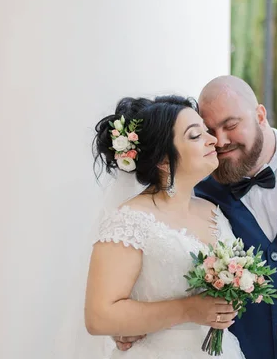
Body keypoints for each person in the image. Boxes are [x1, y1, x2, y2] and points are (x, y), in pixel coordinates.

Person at [116, 75, 277, 359]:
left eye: (231, 125)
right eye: (210, 130)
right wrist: (134, 322)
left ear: (260, 115)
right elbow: (162, 260)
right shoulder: (196, 191)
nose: (221, 141)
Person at [85, 95, 246, 358]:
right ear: (162, 160)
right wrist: (188, 310)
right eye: (195, 136)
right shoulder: (130, 219)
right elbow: (99, 316)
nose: (213, 139)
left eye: (205, 131)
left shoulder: (212, 211)